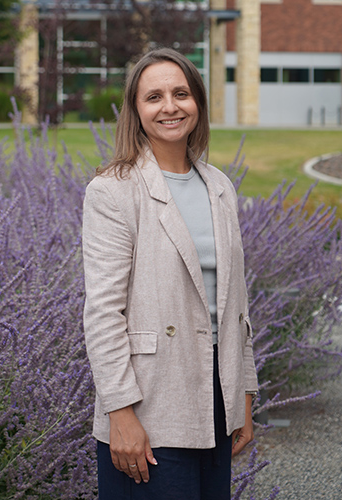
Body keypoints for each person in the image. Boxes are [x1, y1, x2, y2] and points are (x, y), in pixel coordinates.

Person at [82, 47, 258, 500]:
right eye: (154, 97)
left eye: (181, 93)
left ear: (197, 102)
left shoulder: (219, 186)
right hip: (148, 406)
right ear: (136, 110)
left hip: (217, 399)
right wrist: (120, 411)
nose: (170, 106)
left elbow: (235, 303)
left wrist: (245, 394)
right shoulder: (113, 191)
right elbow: (103, 312)